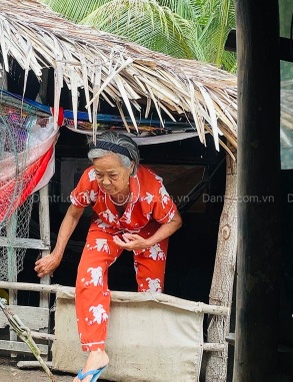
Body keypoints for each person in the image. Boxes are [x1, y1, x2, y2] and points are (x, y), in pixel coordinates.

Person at [34, 131, 182, 382]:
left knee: (151, 291)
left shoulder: (152, 187)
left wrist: (146, 242)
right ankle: (96, 352)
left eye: (113, 175)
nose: (104, 181)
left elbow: (175, 221)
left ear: (131, 168)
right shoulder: (91, 179)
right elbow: (73, 213)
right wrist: (57, 254)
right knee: (88, 275)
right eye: (99, 173)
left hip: (146, 231)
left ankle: (142, 356)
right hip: (107, 225)